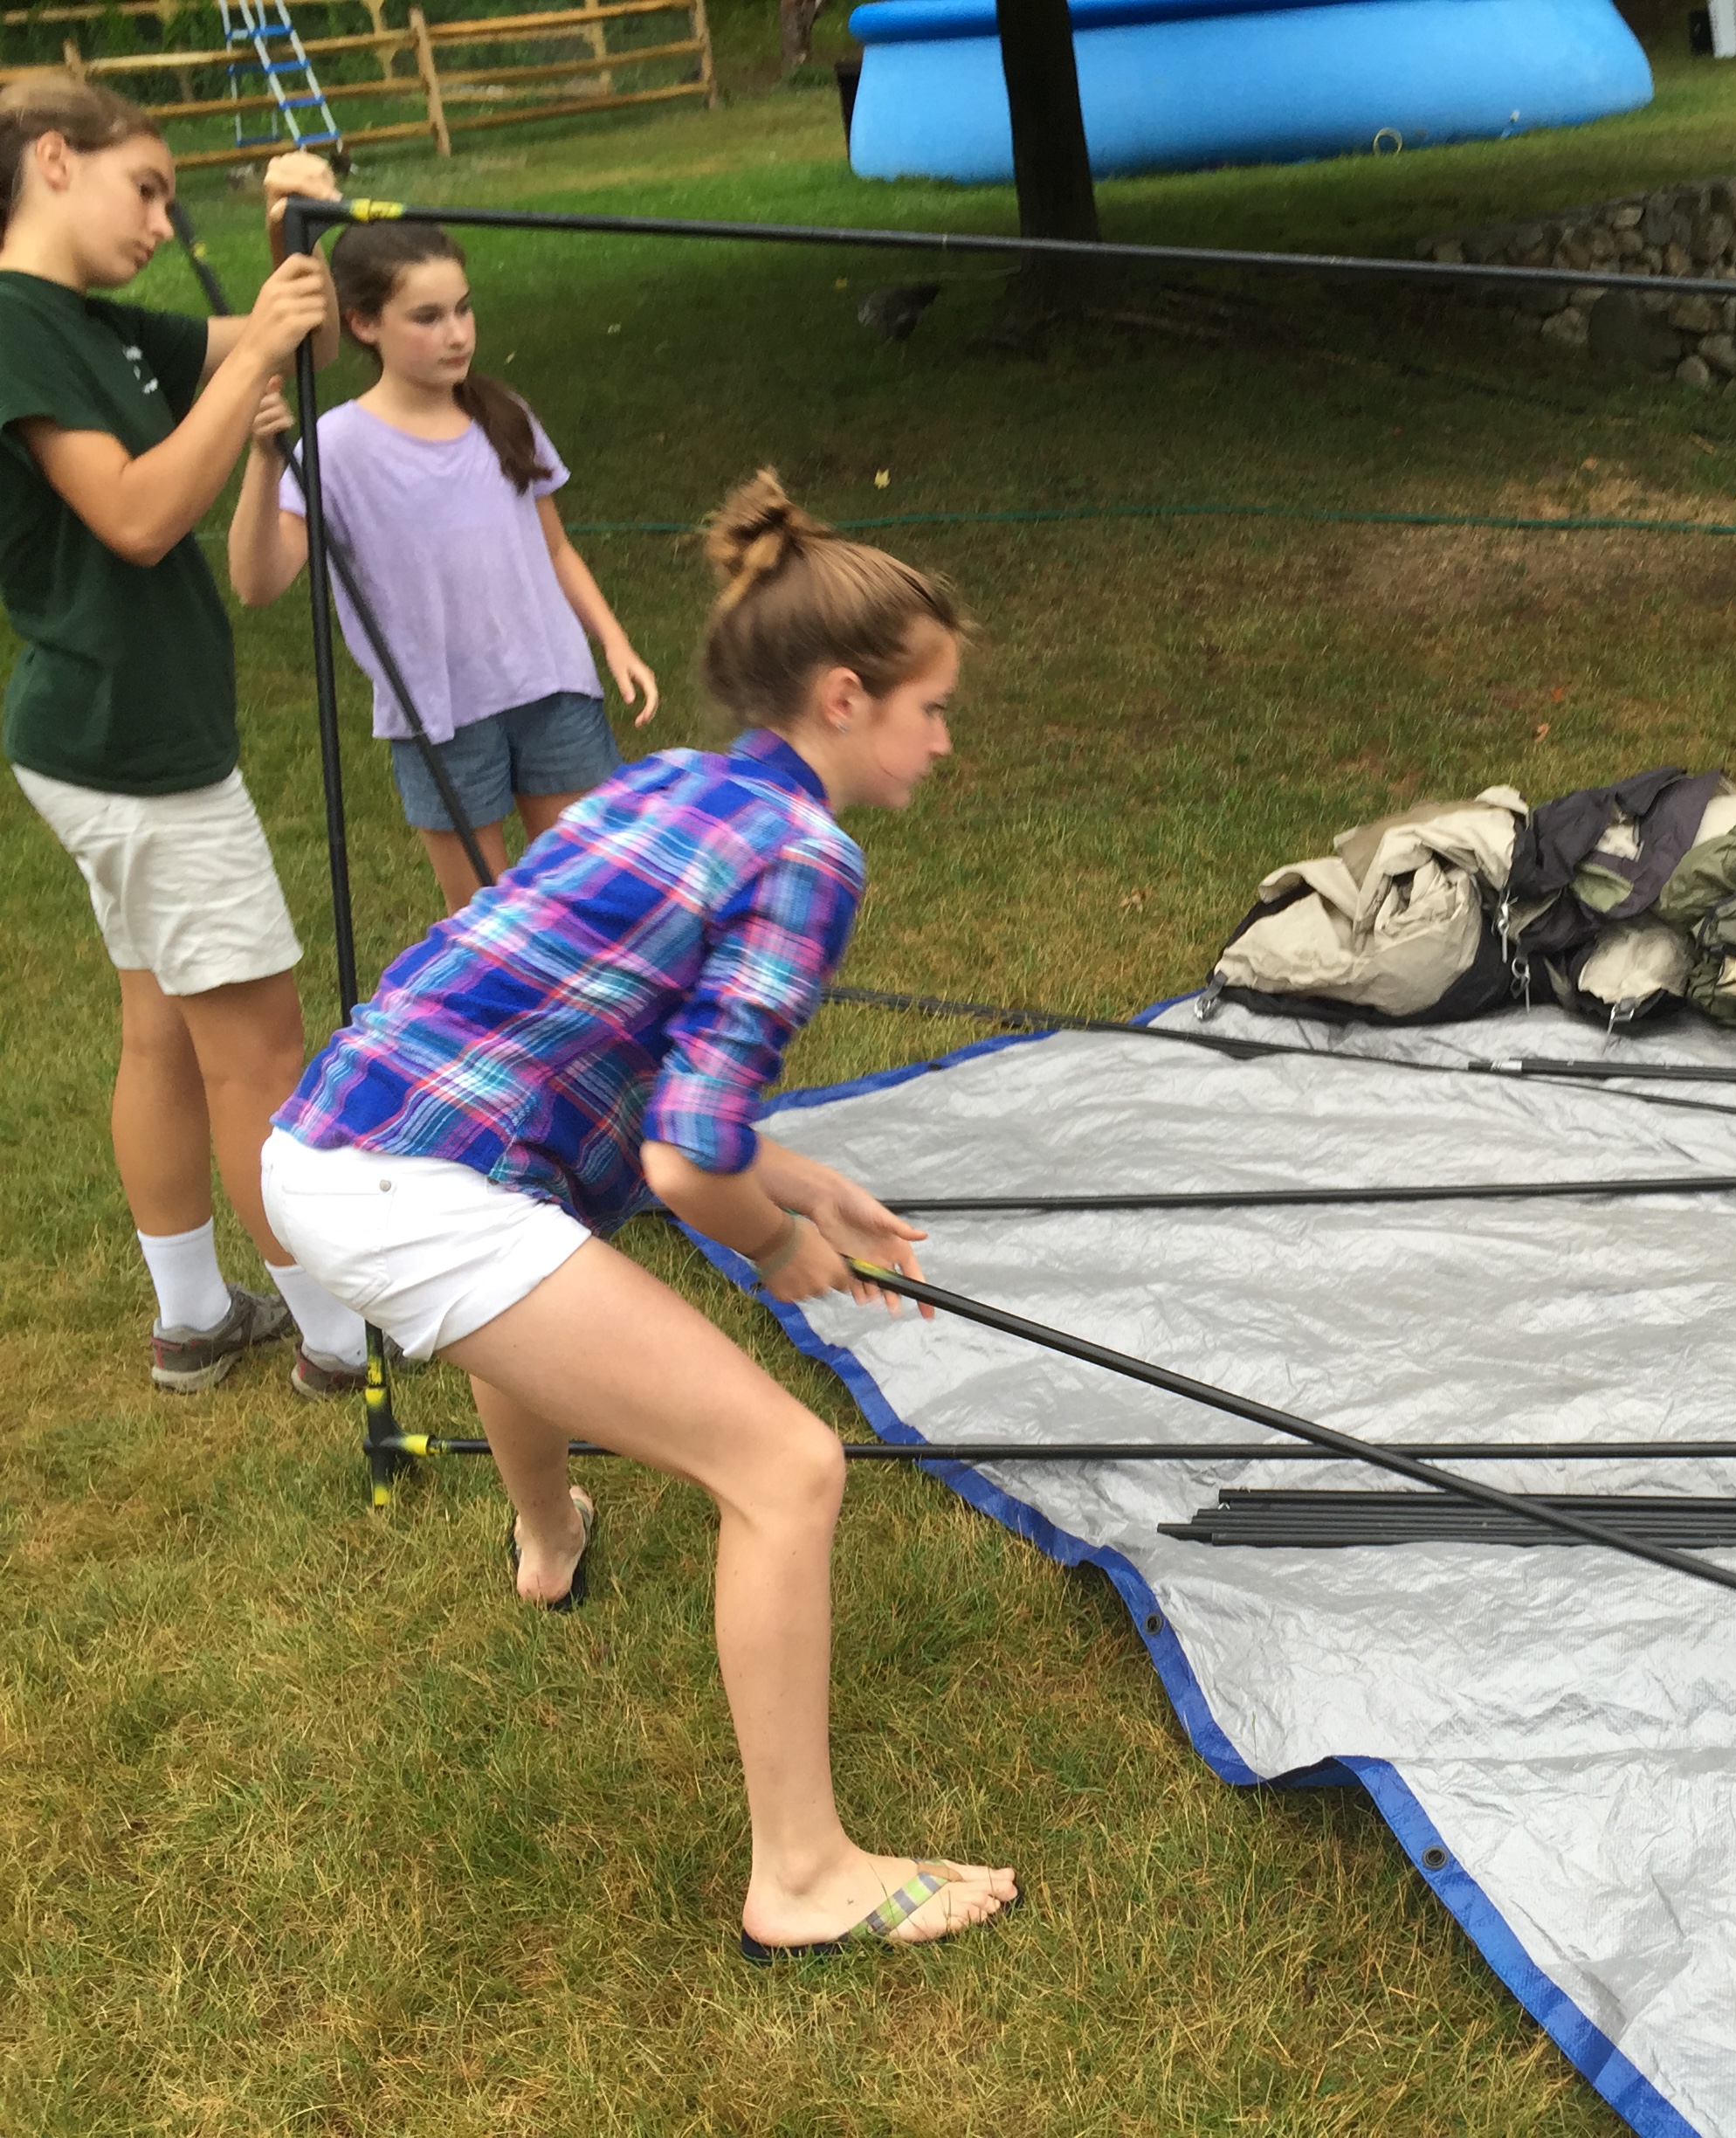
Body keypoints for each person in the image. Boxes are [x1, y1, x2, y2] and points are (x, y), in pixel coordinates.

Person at [259, 471, 1016, 1959]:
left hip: (333, 1139)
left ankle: (549, 1540)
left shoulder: (668, 780)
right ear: (846, 697)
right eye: (931, 708)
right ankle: (802, 1875)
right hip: (425, 1189)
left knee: (537, 1254)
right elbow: (683, 1160)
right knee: (788, 1467)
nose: (942, 738)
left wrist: (793, 1174)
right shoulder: (807, 856)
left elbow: (657, 1074)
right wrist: (779, 1246)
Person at [0, 80, 375, 1393]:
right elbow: (140, 515)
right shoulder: (18, 326)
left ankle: (197, 1317)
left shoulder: (91, 321)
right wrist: (261, 353)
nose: (164, 221)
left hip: (108, 734)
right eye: (146, 188)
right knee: (258, 1050)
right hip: (137, 750)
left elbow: (280, 341)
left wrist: (293, 236)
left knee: (161, 1027)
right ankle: (339, 1339)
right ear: (56, 159)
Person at [226, 218, 658, 913]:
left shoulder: (503, 413)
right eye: (427, 317)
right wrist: (261, 459)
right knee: (487, 923)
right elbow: (257, 582)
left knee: (595, 900)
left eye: (463, 309)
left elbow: (555, 549)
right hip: (439, 716)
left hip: (552, 687)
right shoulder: (338, 447)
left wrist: (614, 640)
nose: (457, 334)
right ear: (363, 323)